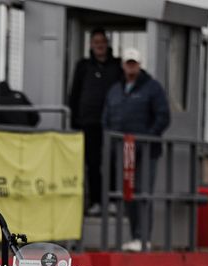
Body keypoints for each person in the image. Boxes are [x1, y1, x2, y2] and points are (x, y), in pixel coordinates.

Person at [102, 48, 170, 252]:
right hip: (123, 152)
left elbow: (162, 117)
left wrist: (145, 139)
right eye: (128, 63)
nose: (131, 66)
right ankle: (134, 236)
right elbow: (106, 118)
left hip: (147, 152)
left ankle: (143, 238)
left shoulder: (153, 88)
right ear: (123, 65)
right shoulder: (115, 89)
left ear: (140, 65)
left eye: (134, 63)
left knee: (143, 193)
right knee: (128, 194)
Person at [68, 28, 123, 215]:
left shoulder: (117, 66)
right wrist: (74, 121)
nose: (99, 45)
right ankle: (96, 201)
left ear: (107, 44)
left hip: (112, 124)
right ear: (91, 45)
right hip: (88, 123)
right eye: (96, 42)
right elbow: (74, 93)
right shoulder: (83, 66)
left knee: (113, 161)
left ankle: (113, 200)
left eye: (102, 41)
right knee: (93, 163)